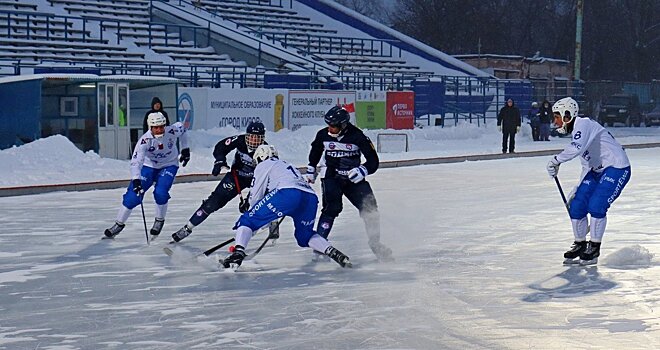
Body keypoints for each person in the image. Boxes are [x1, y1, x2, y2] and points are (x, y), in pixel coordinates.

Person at [221, 145, 351, 269]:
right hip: (310, 197)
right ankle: (333, 252)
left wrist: (248, 216)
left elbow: (256, 195)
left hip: (287, 194)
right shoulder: (287, 165)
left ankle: (237, 253)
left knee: (247, 220)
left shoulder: (264, 165)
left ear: (261, 156)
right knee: (304, 236)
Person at [545, 97, 631, 265]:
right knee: (577, 205)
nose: (555, 120)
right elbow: (586, 165)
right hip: (596, 171)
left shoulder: (583, 124)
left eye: (557, 116)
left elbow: (575, 149)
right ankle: (580, 243)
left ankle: (594, 247)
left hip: (617, 167)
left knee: (597, 205)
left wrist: (556, 160)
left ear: (567, 115)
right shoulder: (579, 134)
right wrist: (578, 187)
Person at [303, 106, 393, 261]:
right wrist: (311, 168)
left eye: (334, 126)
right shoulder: (323, 135)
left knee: (370, 209)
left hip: (353, 179)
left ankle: (375, 244)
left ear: (343, 125)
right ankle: (319, 247)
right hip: (331, 176)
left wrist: (363, 170)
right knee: (332, 207)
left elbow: (373, 161)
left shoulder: (358, 136)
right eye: (328, 125)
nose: (330, 129)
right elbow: (316, 150)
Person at [170, 121, 268, 242]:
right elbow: (221, 146)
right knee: (212, 203)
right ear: (246, 136)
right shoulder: (240, 140)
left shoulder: (267, 151)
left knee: (257, 205)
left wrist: (249, 199)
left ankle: (270, 222)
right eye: (251, 137)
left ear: (263, 139)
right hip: (236, 177)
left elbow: (266, 178)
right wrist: (220, 160)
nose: (253, 141)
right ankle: (188, 227)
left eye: (257, 138)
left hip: (257, 180)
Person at [104, 112, 190, 239]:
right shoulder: (144, 141)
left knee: (161, 192)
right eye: (156, 127)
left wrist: (185, 149)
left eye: (161, 126)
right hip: (149, 166)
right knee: (132, 197)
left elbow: (183, 129)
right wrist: (136, 180)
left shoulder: (172, 130)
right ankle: (119, 224)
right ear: (150, 127)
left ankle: (159, 220)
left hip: (169, 165)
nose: (159, 130)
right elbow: (136, 162)